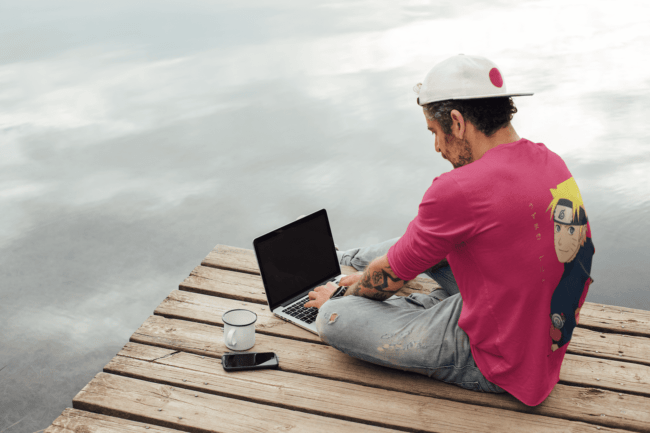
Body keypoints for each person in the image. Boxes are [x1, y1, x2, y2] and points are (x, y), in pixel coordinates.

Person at [304, 54, 595, 406]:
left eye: (435, 133)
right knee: (426, 242)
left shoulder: (459, 188)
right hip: (538, 328)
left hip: (499, 361)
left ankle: (364, 287)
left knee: (337, 319)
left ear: (456, 122)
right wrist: (375, 274)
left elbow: (391, 278)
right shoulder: (550, 161)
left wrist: (342, 299)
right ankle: (355, 265)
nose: (438, 148)